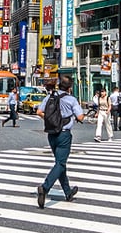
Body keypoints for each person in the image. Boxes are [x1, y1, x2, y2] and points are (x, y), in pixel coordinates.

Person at [35, 76, 86, 208]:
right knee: (61, 163)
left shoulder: (50, 97)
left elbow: (39, 112)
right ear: (70, 88)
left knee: (60, 163)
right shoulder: (71, 99)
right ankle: (45, 188)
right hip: (64, 134)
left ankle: (68, 193)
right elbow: (80, 117)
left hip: (51, 133)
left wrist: (52, 120)